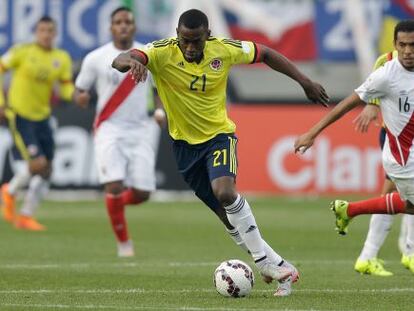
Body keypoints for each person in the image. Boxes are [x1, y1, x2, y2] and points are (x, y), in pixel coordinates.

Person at [112, 9, 329, 296]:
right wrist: (132, 62)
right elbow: (122, 59)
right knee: (225, 216)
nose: (190, 47)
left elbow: (265, 53)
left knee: (225, 192)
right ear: (177, 35)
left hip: (219, 137)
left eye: (196, 41)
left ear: (208, 36)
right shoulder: (162, 52)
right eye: (184, 40)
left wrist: (305, 82)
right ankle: (281, 267)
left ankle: (263, 262)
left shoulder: (224, 49)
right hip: (184, 147)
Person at [294, 20, 414, 273]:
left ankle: (349, 210)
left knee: (410, 206)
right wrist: (312, 132)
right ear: (394, 45)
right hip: (404, 161)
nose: (407, 51)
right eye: (402, 45)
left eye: (412, 45)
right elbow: (347, 104)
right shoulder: (386, 75)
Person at [73, 7, 162, 257]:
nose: (123, 26)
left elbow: (159, 92)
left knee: (143, 193)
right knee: (114, 184)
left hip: (142, 129)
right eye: (118, 22)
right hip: (109, 127)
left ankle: (113, 205)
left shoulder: (148, 54)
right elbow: (79, 89)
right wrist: (80, 97)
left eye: (128, 22)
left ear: (134, 27)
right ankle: (124, 244)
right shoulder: (95, 58)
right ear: (111, 27)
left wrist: (160, 111)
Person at [0, 16, 74, 231]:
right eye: (42, 30)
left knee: (47, 170)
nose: (46, 34)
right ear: (36, 32)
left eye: (50, 30)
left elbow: (65, 87)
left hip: (43, 117)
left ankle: (25, 215)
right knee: (37, 164)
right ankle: (10, 192)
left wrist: (77, 95)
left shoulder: (61, 58)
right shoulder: (22, 51)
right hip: (20, 115)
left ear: (55, 33)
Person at [352, 51, 414, 276]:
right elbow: (374, 87)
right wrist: (373, 104)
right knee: (395, 194)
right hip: (398, 140)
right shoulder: (388, 59)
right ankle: (373, 255)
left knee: (404, 195)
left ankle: (396, 252)